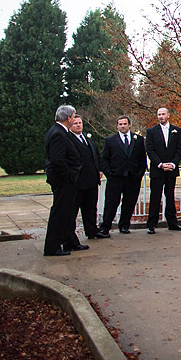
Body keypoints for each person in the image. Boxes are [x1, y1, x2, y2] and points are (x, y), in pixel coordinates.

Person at [42, 104, 87, 256]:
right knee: (60, 213)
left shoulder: (60, 131)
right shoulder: (58, 134)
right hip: (62, 180)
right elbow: (57, 160)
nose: (74, 119)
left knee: (67, 213)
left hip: (66, 179)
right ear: (68, 118)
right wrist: (69, 175)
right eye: (73, 116)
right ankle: (52, 246)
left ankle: (70, 242)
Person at [98, 115, 147, 235]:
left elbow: (142, 158)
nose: (123, 126)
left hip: (133, 177)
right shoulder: (110, 140)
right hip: (116, 177)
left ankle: (124, 225)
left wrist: (139, 174)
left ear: (129, 125)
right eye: (120, 124)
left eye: (125, 124)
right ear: (117, 126)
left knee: (129, 202)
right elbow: (104, 158)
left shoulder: (138, 139)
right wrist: (109, 174)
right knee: (111, 203)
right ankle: (105, 227)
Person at [145, 107, 181, 233]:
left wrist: (173, 164)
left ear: (168, 115)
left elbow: (179, 149)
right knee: (155, 197)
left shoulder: (176, 130)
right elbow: (150, 150)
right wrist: (160, 164)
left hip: (171, 170)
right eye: (159, 114)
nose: (161, 116)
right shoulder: (151, 131)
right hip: (157, 170)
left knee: (170, 196)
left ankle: (172, 223)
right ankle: (151, 225)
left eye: (163, 114)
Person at [70, 114, 107, 239]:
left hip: (92, 180)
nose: (78, 125)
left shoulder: (88, 137)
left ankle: (92, 231)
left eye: (80, 123)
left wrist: (99, 169)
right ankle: (70, 236)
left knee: (91, 208)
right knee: (73, 210)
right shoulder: (69, 139)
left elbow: (96, 155)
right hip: (78, 181)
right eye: (75, 123)